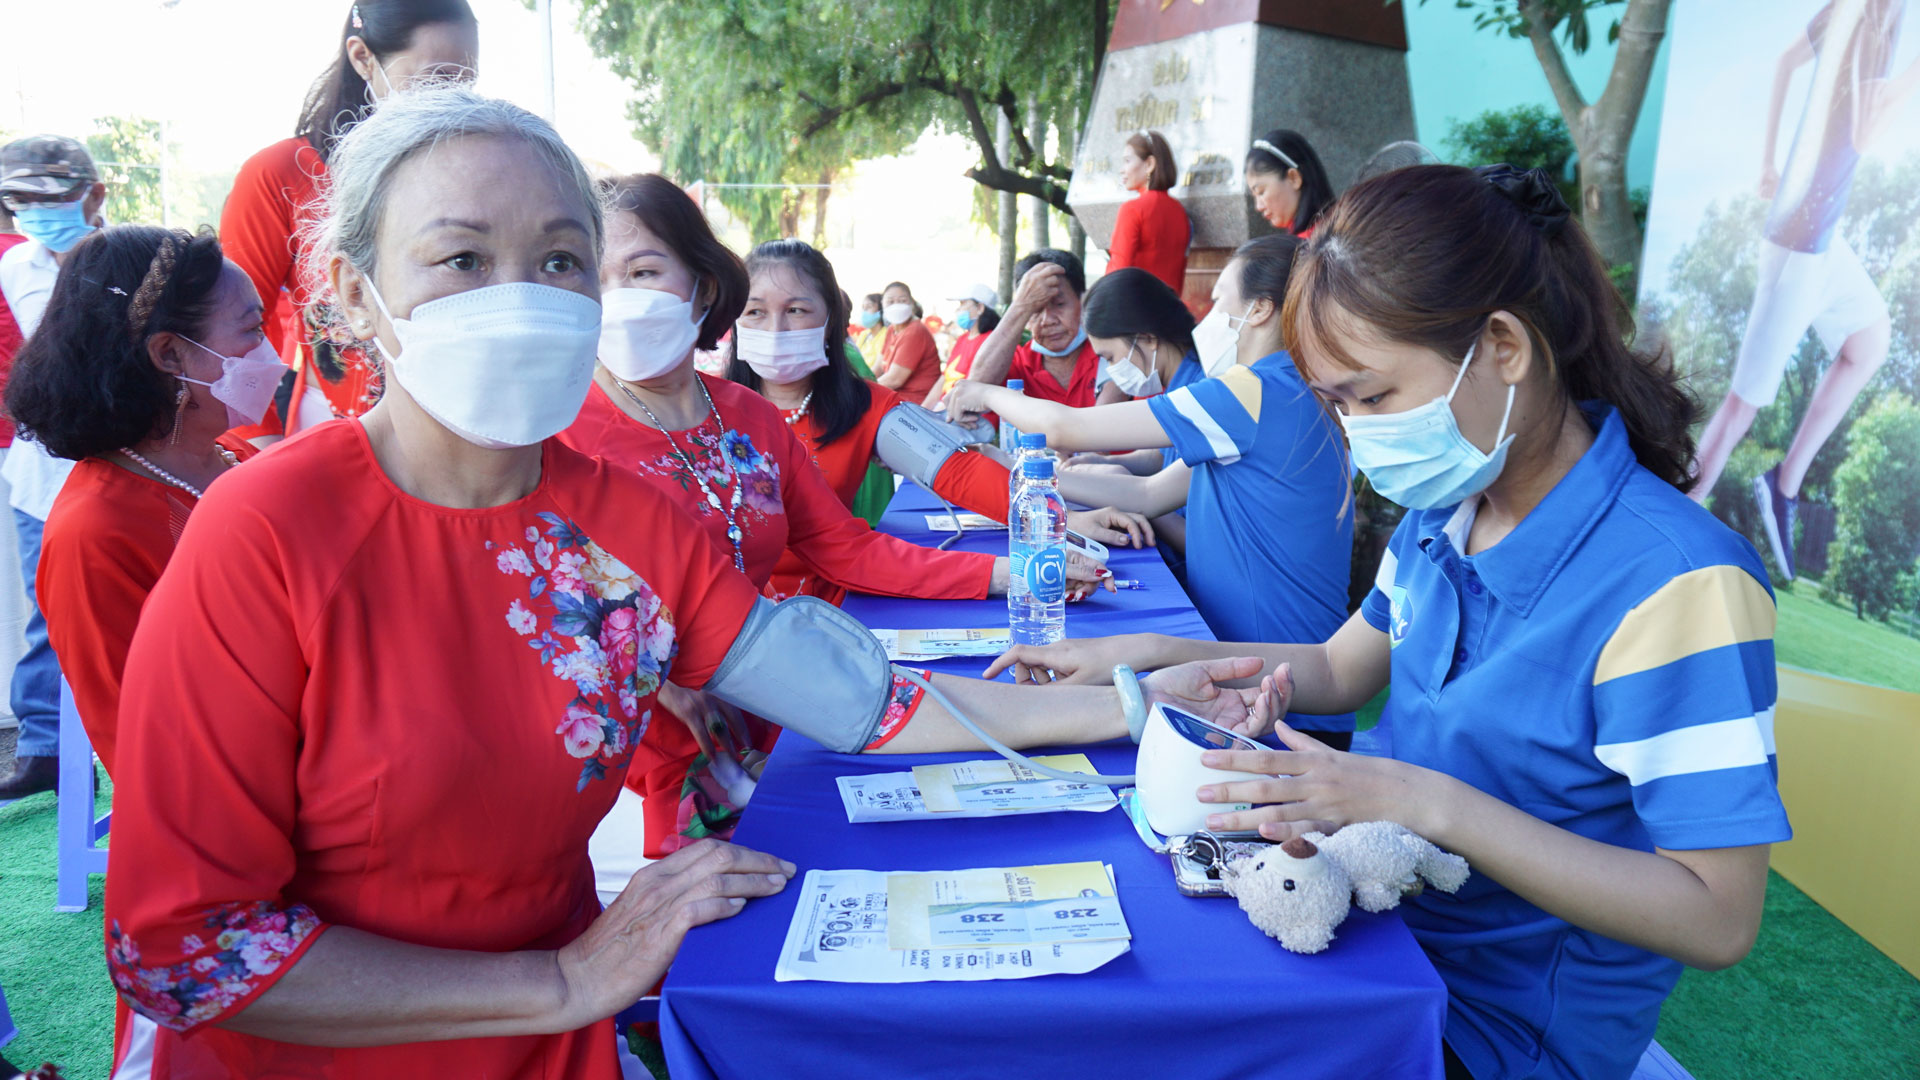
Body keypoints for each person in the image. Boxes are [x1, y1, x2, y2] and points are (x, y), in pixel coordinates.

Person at [100, 85, 1267, 1080]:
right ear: (354, 296)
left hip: (561, 1037)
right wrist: (558, 978)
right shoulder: (267, 533)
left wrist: (1138, 705)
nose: (525, 294)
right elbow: (188, 946)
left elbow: (873, 701)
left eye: (562, 259)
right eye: (462, 258)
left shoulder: (625, 523)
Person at [990, 165, 1790, 1080]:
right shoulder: (1454, 507)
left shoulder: (1678, 586)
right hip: (1370, 922)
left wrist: (1410, 797)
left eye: (1372, 398)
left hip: (1487, 1031)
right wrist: (1166, 654)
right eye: (1337, 404)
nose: (1360, 435)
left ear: (1503, 347)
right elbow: (1338, 668)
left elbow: (1717, 916)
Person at [947, 254, 1355, 742]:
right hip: (1282, 679)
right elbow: (1147, 492)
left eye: (1220, 300)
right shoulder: (1290, 389)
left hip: (1279, 696)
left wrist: (982, 392)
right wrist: (1020, 465)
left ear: (1262, 309)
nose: (1207, 319)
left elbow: (1066, 427)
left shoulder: (1254, 389)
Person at [731, 240, 1155, 604]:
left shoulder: (866, 406)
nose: (776, 329)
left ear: (830, 323)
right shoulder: (704, 412)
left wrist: (1057, 520)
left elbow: (959, 471)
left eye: (797, 309)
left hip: (836, 608)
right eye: (754, 312)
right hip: (724, 626)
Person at [6, 226, 271, 777]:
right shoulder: (96, 533)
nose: (268, 353)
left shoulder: (240, 458)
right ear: (171, 354)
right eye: (252, 329)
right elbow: (145, 744)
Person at [1689, 0, 1916, 580]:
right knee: (1743, 405)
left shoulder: (1853, 9)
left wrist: (1768, 163)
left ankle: (1783, 484)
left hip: (1820, 236)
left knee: (1871, 336)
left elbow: (1786, 62)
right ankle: (1680, 516)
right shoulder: (1875, 20)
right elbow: (1866, 132)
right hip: (1799, 246)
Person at [220, 0, 479, 437]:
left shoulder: (482, 174)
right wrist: (255, 444)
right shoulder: (282, 174)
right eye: (435, 80)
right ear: (363, 58)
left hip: (460, 430)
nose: (451, 102)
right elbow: (234, 327)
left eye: (465, 83)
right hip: (332, 431)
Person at [0, 134, 107, 800]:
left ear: (94, 195)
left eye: (52, 198)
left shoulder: (139, 256)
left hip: (125, 467)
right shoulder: (16, 268)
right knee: (47, 611)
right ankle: (45, 748)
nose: (36, 212)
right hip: (43, 473)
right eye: (20, 201)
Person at [965, 249, 1102, 408]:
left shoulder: (1107, 355)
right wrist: (1021, 305)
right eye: (1035, 310)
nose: (1048, 320)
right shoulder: (1017, 362)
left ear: (1082, 301)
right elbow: (974, 389)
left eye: (1059, 305)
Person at [1107, 130, 1191, 292]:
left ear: (1149, 164)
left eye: (1127, 161)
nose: (1122, 170)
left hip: (1135, 309)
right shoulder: (1180, 212)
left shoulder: (1132, 209)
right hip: (1170, 310)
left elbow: (1118, 272)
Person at [1244, 128, 1336, 238]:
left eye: (1261, 192)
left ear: (1294, 178)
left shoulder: (1320, 242)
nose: (1258, 207)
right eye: (1254, 196)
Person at [923, 283, 1000, 409]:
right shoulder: (962, 339)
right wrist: (924, 409)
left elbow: (973, 385)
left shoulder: (991, 341)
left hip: (965, 415)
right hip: (944, 409)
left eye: (962, 304)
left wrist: (939, 411)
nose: (958, 310)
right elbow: (944, 378)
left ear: (980, 307)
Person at [871, 280, 941, 402]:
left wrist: (862, 390)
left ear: (912, 304)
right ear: (882, 304)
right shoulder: (892, 329)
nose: (896, 305)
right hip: (896, 398)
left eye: (902, 301)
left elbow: (894, 379)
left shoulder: (915, 331)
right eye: (890, 301)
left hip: (912, 403)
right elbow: (878, 368)